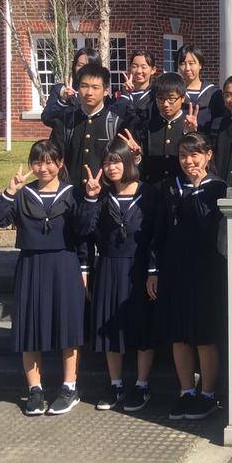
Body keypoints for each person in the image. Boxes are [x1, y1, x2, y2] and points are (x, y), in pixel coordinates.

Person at [0, 140, 86, 416]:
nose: (44, 168)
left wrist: (85, 268)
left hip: (65, 263)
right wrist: (10, 191)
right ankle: (35, 390)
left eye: (50, 162)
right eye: (38, 162)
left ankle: (69, 387)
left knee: (68, 327)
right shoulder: (23, 194)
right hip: (31, 264)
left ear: (60, 163)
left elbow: (84, 232)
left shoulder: (73, 193)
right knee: (30, 328)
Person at [148, 132, 228, 421]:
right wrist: (154, 269)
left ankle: (208, 394)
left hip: (207, 271)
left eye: (194, 155)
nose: (188, 161)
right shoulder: (170, 187)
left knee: (204, 335)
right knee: (179, 335)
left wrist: (196, 187)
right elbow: (159, 231)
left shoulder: (219, 188)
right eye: (183, 155)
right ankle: (186, 391)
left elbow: (214, 228)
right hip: (175, 269)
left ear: (208, 155)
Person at [77, 138, 158, 412]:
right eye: (107, 162)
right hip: (109, 267)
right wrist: (90, 198)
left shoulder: (149, 194)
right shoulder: (100, 195)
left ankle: (142, 384)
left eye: (116, 161)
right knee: (110, 329)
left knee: (142, 326)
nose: (111, 167)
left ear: (128, 162)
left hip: (139, 268)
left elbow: (156, 235)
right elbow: (84, 230)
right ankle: (115, 384)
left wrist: (153, 269)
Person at [41, 62, 124, 188]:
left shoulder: (115, 123)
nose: (89, 92)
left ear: (106, 91)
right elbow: (54, 157)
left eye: (95, 87)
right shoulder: (65, 121)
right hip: (70, 193)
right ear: (78, 88)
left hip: (104, 193)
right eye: (84, 86)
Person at [126, 72, 191, 191]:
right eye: (160, 99)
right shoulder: (146, 126)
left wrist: (191, 133)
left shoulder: (191, 125)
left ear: (182, 98)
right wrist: (137, 157)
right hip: (153, 191)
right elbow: (143, 167)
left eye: (171, 99)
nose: (165, 104)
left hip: (182, 190)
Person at [177, 44, 223, 125]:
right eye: (182, 64)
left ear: (200, 65)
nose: (187, 68)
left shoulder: (214, 93)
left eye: (191, 63)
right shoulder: (175, 92)